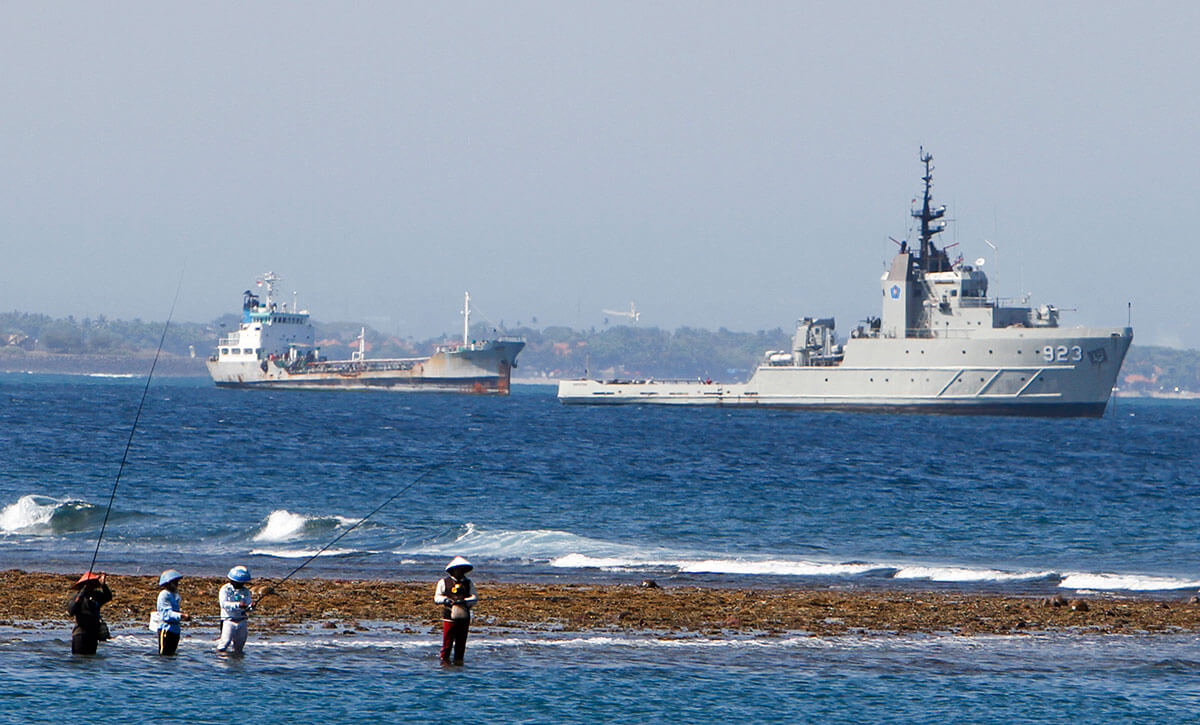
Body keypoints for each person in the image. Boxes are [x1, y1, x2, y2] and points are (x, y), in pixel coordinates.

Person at [434, 556, 478, 664]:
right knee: (447, 642)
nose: (460, 571)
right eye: (458, 569)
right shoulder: (443, 582)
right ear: (452, 570)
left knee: (461, 642)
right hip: (449, 615)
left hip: (464, 615)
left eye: (462, 569)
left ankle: (459, 661)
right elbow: (437, 598)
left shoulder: (468, 583)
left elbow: (474, 598)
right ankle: (444, 662)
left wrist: (464, 600)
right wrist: (446, 600)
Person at [66, 571, 112, 655]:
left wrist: (103, 585)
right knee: (78, 658)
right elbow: (71, 611)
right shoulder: (77, 597)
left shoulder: (96, 596)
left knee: (91, 658)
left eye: (93, 585)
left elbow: (108, 597)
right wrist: (82, 593)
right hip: (80, 634)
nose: (91, 587)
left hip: (93, 634)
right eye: (89, 585)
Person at [216, 565, 253, 655]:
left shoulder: (245, 591)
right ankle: (221, 662)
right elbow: (223, 604)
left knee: (239, 647)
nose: (240, 585)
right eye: (238, 583)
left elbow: (249, 606)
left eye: (242, 583)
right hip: (228, 620)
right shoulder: (224, 589)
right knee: (225, 643)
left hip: (242, 620)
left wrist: (251, 606)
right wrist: (238, 605)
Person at [155, 569, 190, 655]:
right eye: (175, 582)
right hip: (166, 629)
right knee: (164, 655)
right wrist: (182, 616)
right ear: (168, 583)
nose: (177, 585)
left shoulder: (174, 594)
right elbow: (166, 614)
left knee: (172, 655)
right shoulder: (164, 594)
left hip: (175, 629)